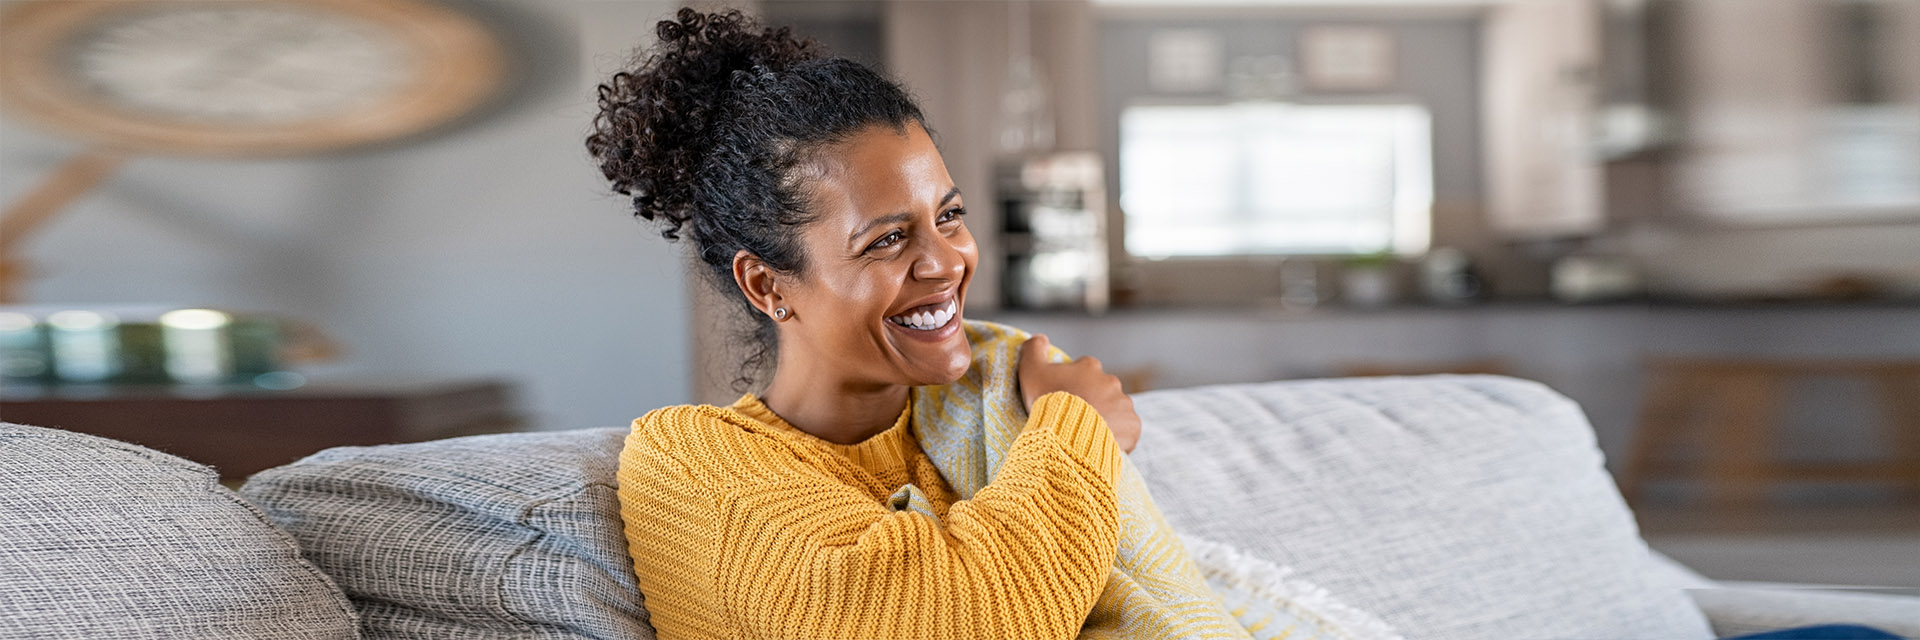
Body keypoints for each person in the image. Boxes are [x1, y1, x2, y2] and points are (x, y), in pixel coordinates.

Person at [586, 9, 1146, 639]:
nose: (946, 262)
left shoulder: (995, 398)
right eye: (887, 240)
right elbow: (968, 620)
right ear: (767, 284)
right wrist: (1082, 428)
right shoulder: (689, 465)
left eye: (949, 216)